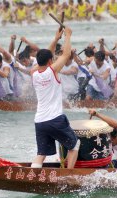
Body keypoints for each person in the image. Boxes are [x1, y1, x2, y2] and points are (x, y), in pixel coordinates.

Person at [31, 26, 79, 169]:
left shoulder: (33, 72)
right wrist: (68, 36)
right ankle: (68, 176)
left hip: (39, 121)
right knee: (74, 144)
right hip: (55, 119)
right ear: (51, 61)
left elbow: (45, 55)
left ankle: (33, 174)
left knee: (41, 153)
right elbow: (65, 55)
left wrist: (56, 39)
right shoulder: (53, 71)